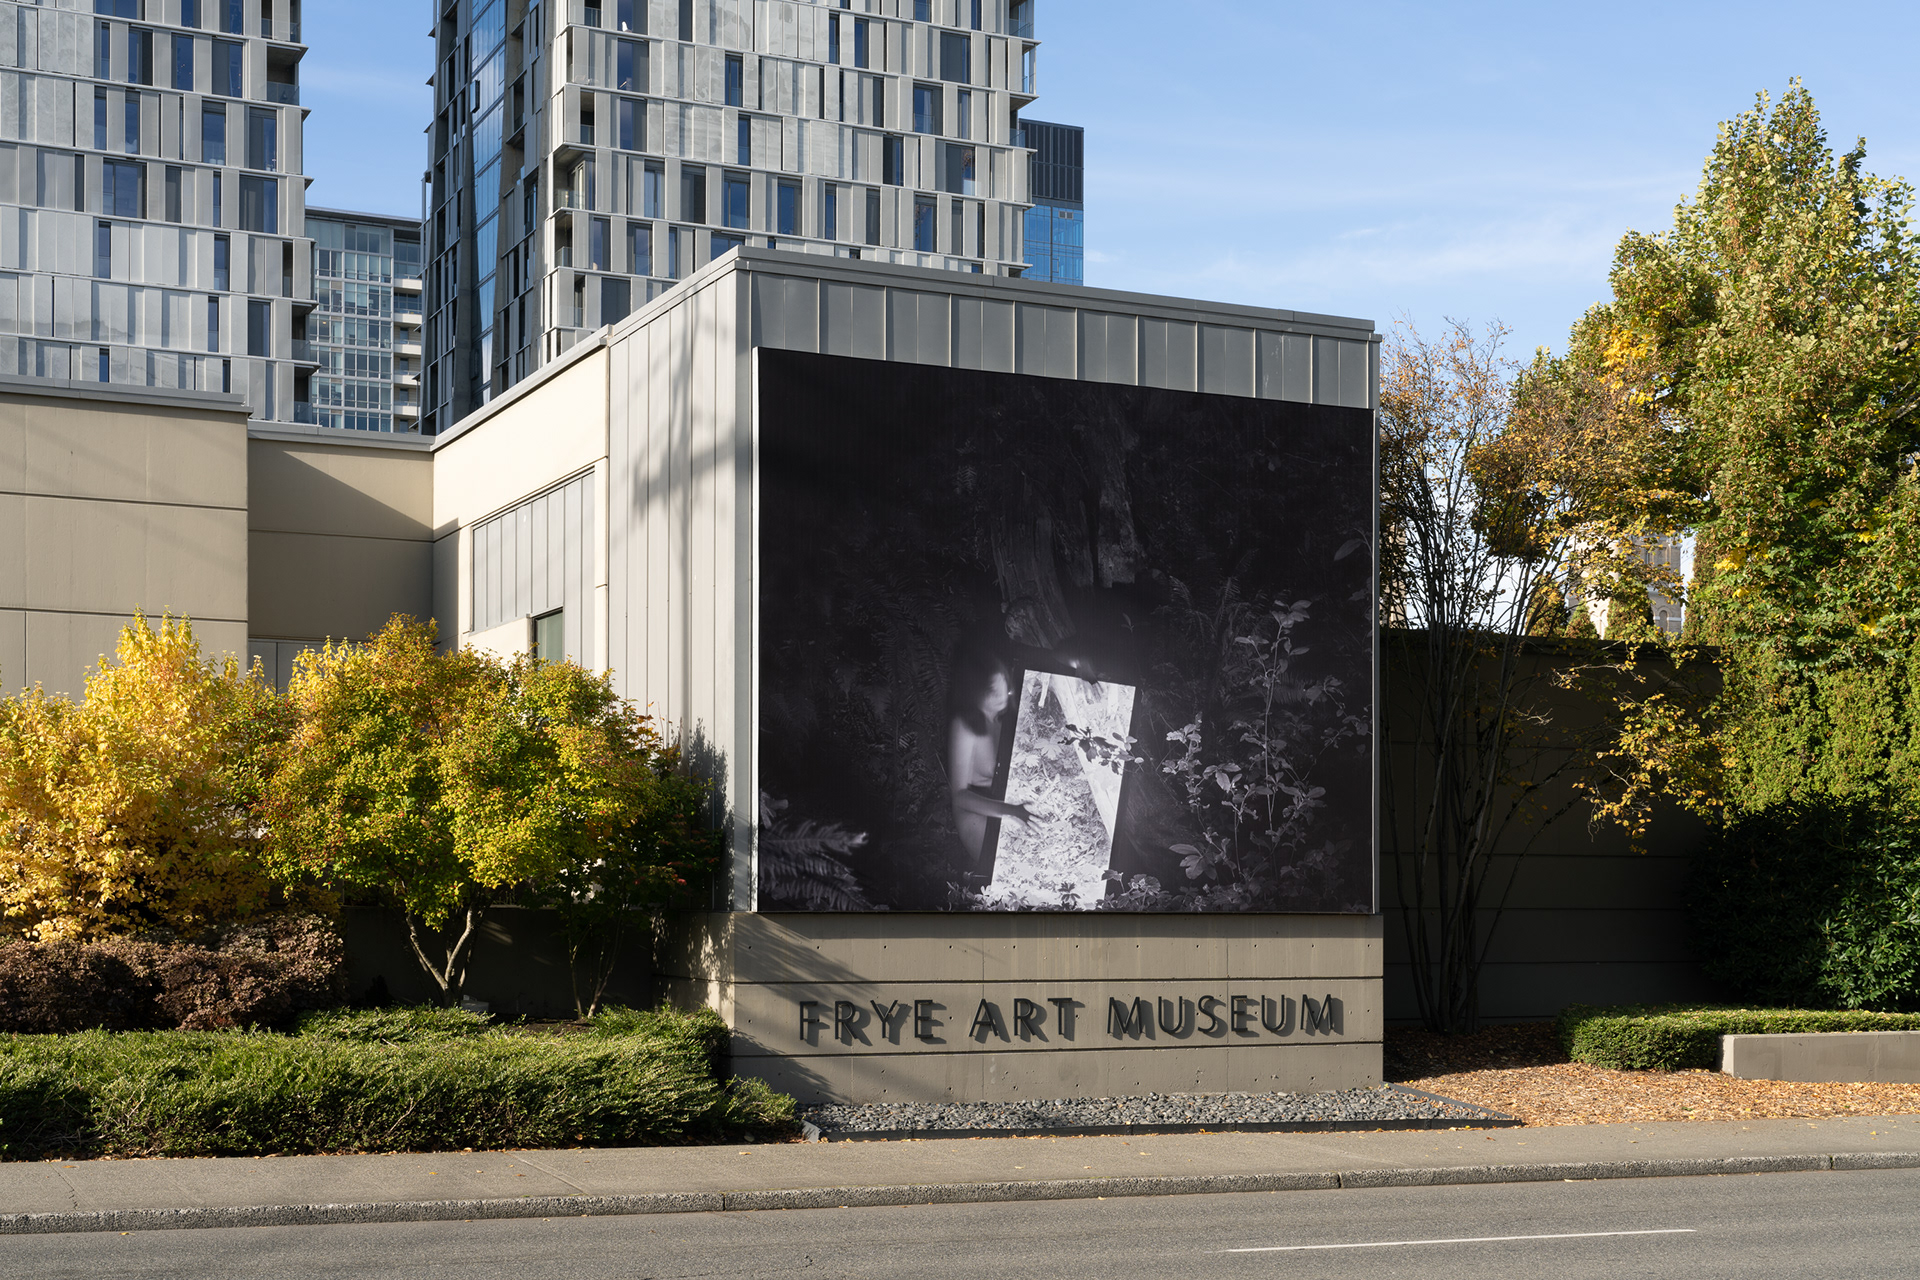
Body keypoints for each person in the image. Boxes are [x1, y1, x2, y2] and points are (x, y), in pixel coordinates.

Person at [947, 648, 1031, 879]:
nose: (1002, 695)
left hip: (1004, 800)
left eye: (1004, 685)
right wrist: (1009, 810)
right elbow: (960, 796)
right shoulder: (964, 726)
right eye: (993, 691)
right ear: (975, 692)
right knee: (1013, 872)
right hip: (974, 809)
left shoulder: (1005, 719)